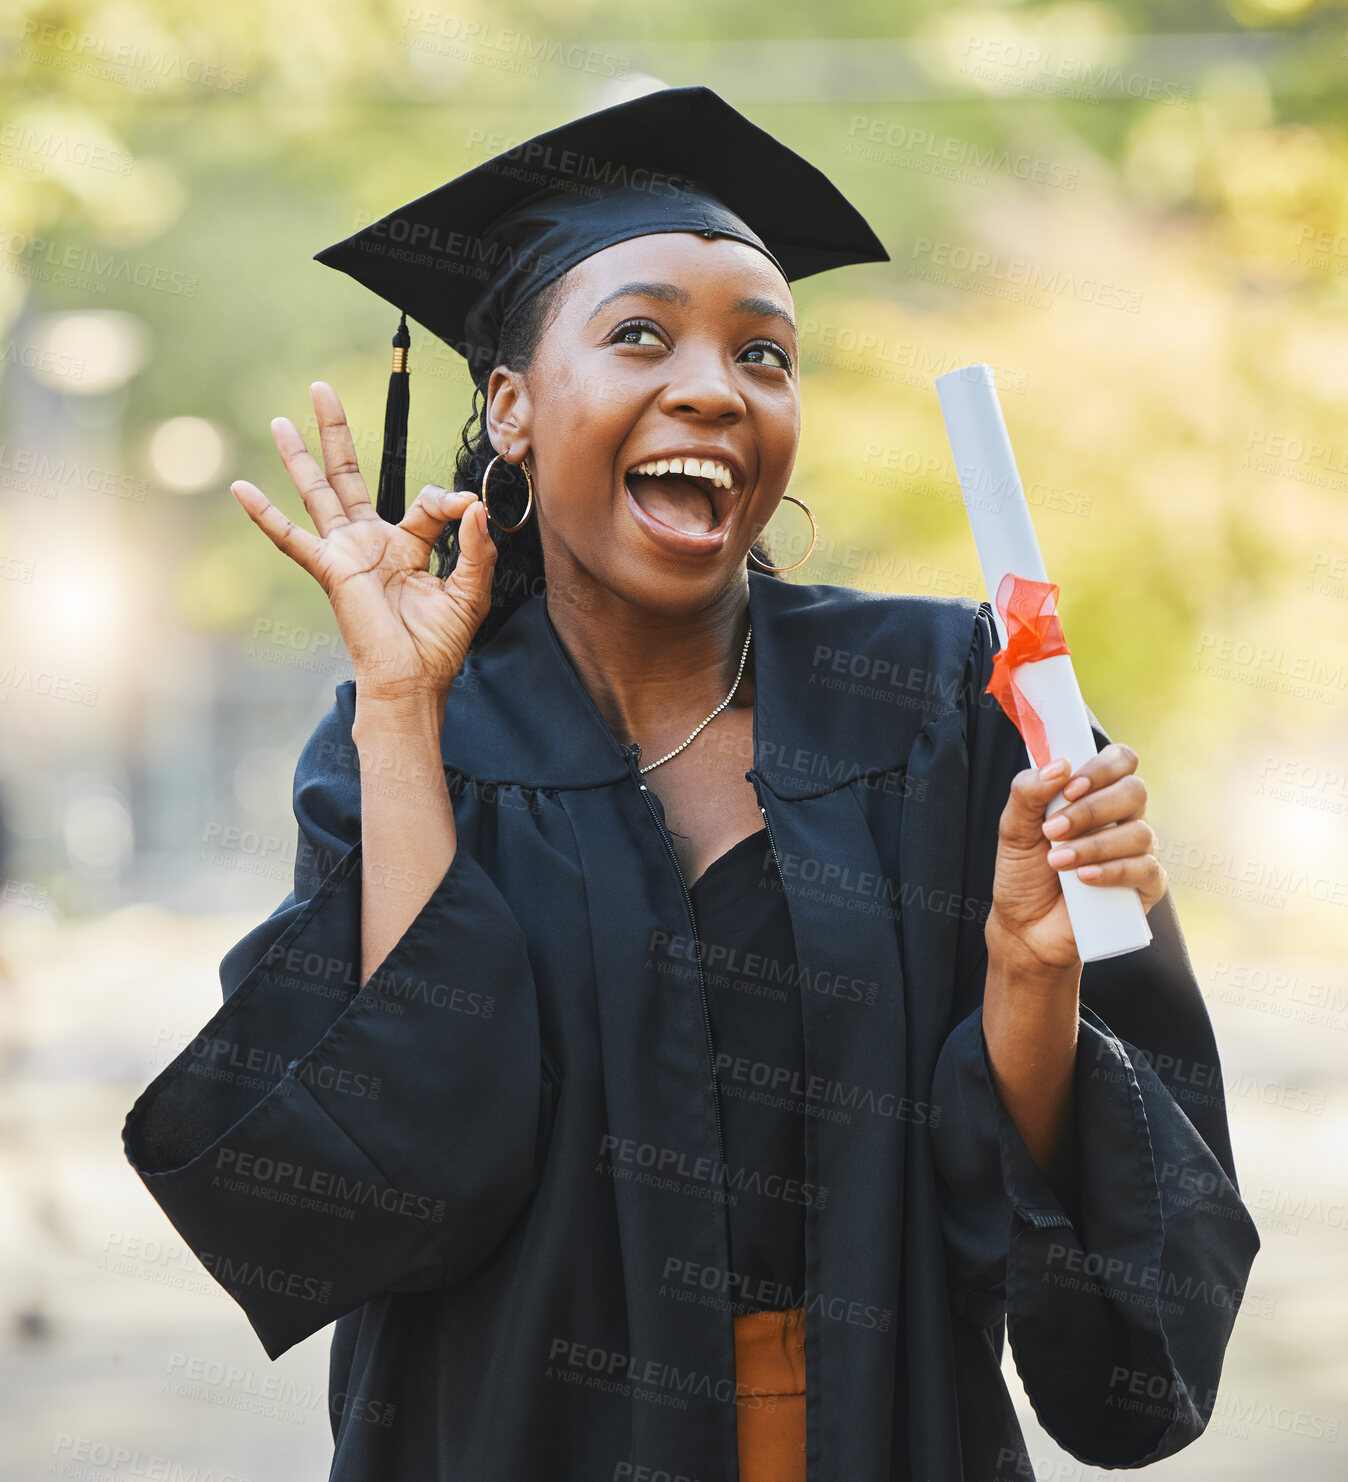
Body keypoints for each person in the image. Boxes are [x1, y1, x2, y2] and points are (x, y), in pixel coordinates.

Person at [122, 86, 1260, 1481]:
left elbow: (1037, 1225)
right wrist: (408, 708)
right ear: (515, 408)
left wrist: (1035, 976)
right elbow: (396, 1175)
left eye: (765, 353)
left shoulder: (935, 698)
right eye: (642, 334)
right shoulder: (415, 733)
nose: (717, 387)